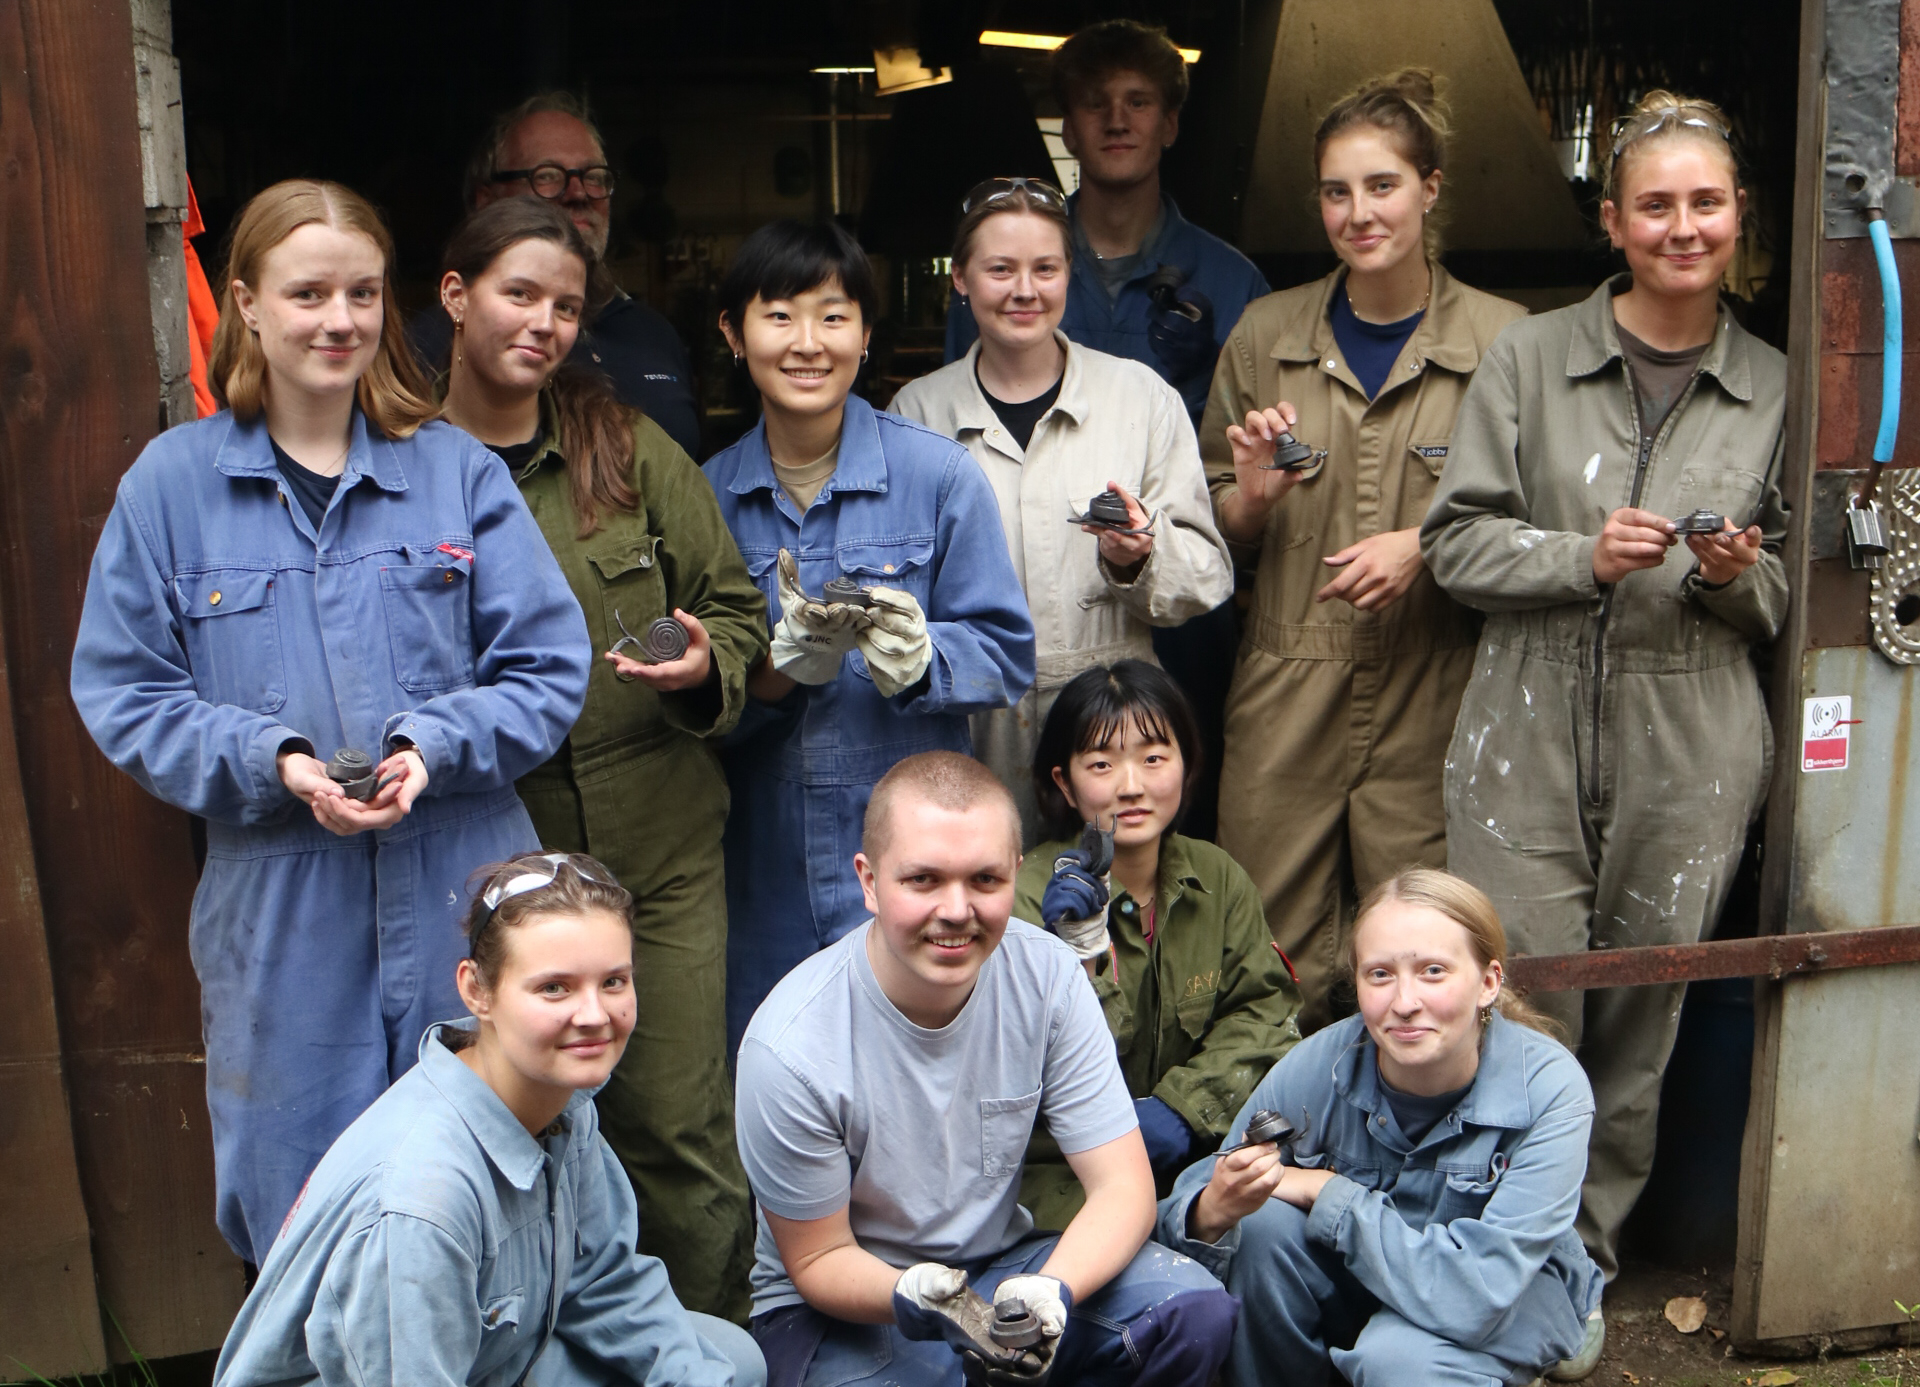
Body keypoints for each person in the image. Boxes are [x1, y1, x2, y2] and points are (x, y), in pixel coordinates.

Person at [69, 180, 590, 1268]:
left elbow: (548, 669)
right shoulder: (172, 488)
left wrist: (429, 748)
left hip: (461, 890)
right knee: (302, 1208)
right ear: (247, 303)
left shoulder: (453, 472)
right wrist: (275, 760)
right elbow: (125, 691)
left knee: (500, 1194)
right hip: (281, 911)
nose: (338, 319)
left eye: (361, 292)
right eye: (307, 293)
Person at [1421, 91, 1786, 1347]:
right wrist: (1577, 555)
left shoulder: (1779, 385)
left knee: (1640, 1012)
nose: (1684, 227)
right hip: (1519, 717)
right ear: (1613, 220)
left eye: (1707, 202)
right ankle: (1490, 1258)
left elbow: (1798, 601)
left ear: (1740, 215)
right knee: (1515, 998)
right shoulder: (1528, 358)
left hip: (1694, 729)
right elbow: (1455, 543)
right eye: (1657, 205)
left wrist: (1734, 576)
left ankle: (1576, 1265)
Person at [435, 196, 767, 1322]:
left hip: (659, 851)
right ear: (456, 296)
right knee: (510, 1134)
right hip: (498, 856)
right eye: (520, 294)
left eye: (568, 306)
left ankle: (709, 1351)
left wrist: (703, 664)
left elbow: (733, 606)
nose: (545, 323)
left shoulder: (620, 445)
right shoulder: (406, 464)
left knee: (676, 1126)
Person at [735, 752, 1238, 1387]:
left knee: (1192, 1313)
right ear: (869, 881)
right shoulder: (791, 1046)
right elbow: (817, 1259)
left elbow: (1123, 1189)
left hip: (1002, 1266)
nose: (956, 909)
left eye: (984, 880)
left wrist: (1053, 1289)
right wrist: (914, 1297)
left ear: (1015, 874)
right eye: (923, 880)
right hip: (849, 1302)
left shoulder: (1050, 978)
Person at [1203, 71, 1525, 1032]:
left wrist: (1427, 544)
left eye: (1382, 185)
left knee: (1424, 953)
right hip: (1285, 676)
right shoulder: (1267, 335)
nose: (1359, 213)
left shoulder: (1505, 341)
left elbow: (1543, 521)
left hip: (1437, 684)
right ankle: (1276, 1124)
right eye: (1336, 192)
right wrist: (1251, 499)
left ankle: (1417, 1128)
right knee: (1267, 951)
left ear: (1430, 188)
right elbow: (1217, 522)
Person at [212, 852, 766, 1387]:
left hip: (499, 1359)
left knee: (726, 1360)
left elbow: (602, 1280)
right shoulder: (420, 1203)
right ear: (477, 990)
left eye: (613, 982)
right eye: (554, 988)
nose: (594, 1015)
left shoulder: (560, 1099)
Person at [703, 219, 1035, 1054]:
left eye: (833, 315)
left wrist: (927, 662)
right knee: (779, 1062)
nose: (808, 343)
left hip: (916, 858)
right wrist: (768, 678)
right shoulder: (705, 495)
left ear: (866, 334)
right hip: (764, 860)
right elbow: (695, 710)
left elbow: (1006, 654)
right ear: (733, 334)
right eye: (779, 316)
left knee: (920, 1068)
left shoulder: (938, 477)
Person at [946, 21, 1270, 843]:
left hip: (1171, 620)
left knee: (1157, 824)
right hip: (1008, 636)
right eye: (1096, 103)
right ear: (1066, 125)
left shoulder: (1232, 282)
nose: (1118, 120)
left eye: (1139, 102)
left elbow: (1243, 473)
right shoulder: (1012, 266)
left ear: (1171, 122)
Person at [1156, 870, 1605, 1387]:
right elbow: (1187, 1207)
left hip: (1503, 1298)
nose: (1405, 1002)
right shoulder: (1320, 1065)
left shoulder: (1549, 1090)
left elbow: (1476, 1295)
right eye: (1380, 974)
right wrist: (1215, 1207)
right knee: (1257, 1229)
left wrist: (1326, 1191)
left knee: (1396, 1360)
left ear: (1488, 983)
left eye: (1433, 971)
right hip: (1361, 1281)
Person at [892, 181, 1232, 840]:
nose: (1025, 290)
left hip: (1113, 732)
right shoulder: (917, 413)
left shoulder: (1139, 399)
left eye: (1045, 268)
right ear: (960, 278)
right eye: (1000, 269)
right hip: (973, 727)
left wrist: (1140, 557)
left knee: (1113, 896)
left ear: (1069, 274)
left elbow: (1207, 577)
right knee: (986, 887)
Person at [1014, 661, 1300, 1229]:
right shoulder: (1027, 896)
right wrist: (1080, 955)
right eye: (1101, 764)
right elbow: (1039, 1061)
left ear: (1186, 763)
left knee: (1277, 1233)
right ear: (1065, 783)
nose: (1131, 786)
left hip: (1202, 1158)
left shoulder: (1218, 878)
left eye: (1153, 758)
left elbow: (1266, 1014)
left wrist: (1185, 1108)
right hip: (1064, 1179)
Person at [411, 92, 703, 460]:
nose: (578, 193)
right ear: (487, 199)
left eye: (594, 177)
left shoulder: (654, 333)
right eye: (547, 176)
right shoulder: (423, 348)